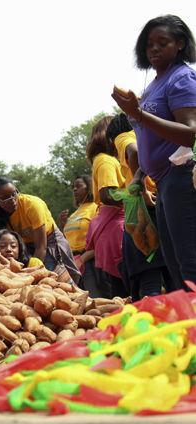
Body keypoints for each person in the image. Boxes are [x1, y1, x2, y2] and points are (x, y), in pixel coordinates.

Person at [112, 14, 196, 291]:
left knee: (188, 264)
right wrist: (139, 173)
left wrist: (138, 114)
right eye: (149, 44)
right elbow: (152, 140)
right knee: (174, 265)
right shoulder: (154, 85)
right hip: (162, 182)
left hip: (182, 177)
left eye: (163, 42)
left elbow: (189, 132)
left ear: (180, 44)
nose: (154, 49)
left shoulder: (181, 78)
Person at [106, 113, 173, 300]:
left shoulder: (123, 136)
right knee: (170, 271)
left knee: (147, 272)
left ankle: (150, 323)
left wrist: (141, 190)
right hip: (160, 202)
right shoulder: (151, 137)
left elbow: (133, 151)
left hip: (142, 209)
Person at [0, 176, 80, 282]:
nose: (12, 199)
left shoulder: (32, 205)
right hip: (25, 245)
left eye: (14, 193)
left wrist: (31, 273)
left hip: (48, 240)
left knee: (52, 274)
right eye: (5, 198)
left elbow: (41, 247)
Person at [85, 116, 124, 298]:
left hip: (113, 229)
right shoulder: (105, 160)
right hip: (116, 231)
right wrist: (137, 194)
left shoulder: (107, 160)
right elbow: (107, 194)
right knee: (126, 291)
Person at [58, 175, 103, 295]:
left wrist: (82, 259)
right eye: (73, 187)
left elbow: (101, 238)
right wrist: (63, 226)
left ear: (89, 188)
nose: (74, 189)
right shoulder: (74, 214)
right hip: (73, 263)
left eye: (78, 186)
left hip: (90, 262)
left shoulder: (96, 207)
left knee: (95, 301)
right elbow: (67, 240)